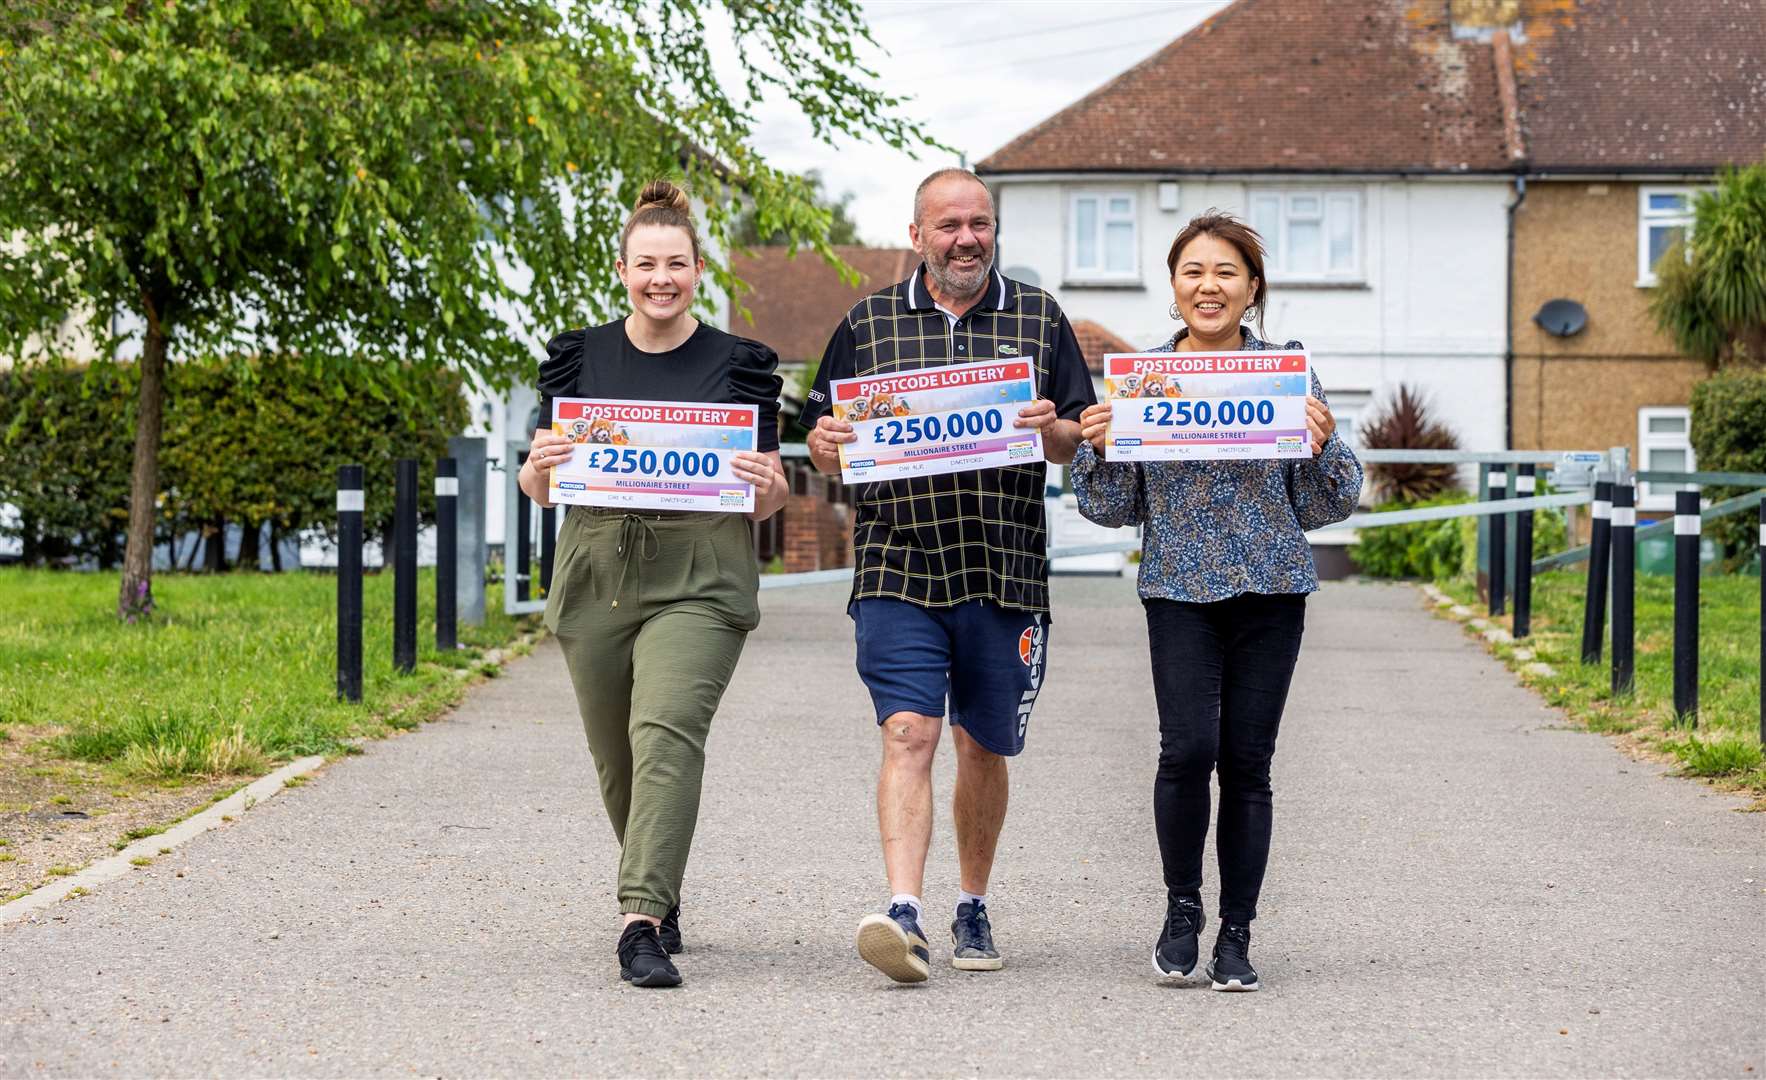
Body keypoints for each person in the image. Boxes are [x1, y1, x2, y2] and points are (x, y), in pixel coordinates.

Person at [801, 167, 1096, 983]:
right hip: (898, 560)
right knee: (909, 732)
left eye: (980, 223)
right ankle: (904, 911)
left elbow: (1077, 433)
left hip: (1003, 567)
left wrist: (1055, 430)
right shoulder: (867, 323)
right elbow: (822, 437)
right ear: (917, 235)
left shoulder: (1039, 316)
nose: (967, 239)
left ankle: (972, 902)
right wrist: (826, 446)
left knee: (979, 744)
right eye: (949, 225)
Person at [1070, 211, 1362, 992]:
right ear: (1174, 287)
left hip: (1272, 589)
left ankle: (1237, 932)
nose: (1210, 285)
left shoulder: (1287, 375)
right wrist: (1097, 450)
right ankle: (1180, 911)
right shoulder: (1142, 380)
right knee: (1187, 750)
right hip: (1178, 590)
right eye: (1194, 271)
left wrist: (1323, 443)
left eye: (1226, 272)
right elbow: (1110, 507)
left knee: (1247, 763)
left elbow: (1328, 503)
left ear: (1252, 288)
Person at [519, 180, 787, 988]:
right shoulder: (579, 358)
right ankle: (663, 891)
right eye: (646, 264)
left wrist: (764, 485)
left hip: (702, 568)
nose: (660, 278)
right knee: (616, 757)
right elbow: (544, 486)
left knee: (665, 729)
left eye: (676, 263)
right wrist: (537, 470)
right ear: (622, 270)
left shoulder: (740, 369)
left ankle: (639, 920)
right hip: (597, 562)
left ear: (699, 269)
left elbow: (770, 495)